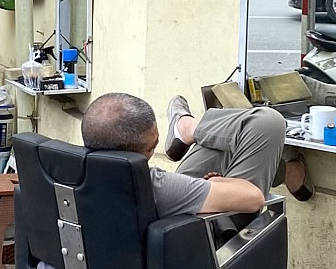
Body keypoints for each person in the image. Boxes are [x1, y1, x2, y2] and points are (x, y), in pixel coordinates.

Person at [80, 93, 312, 218]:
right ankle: (188, 128)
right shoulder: (157, 187)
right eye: (154, 145)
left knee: (218, 148)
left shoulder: (65, 175)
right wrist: (219, 183)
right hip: (192, 257)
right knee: (268, 122)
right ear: (143, 153)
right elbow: (253, 198)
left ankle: (291, 173)